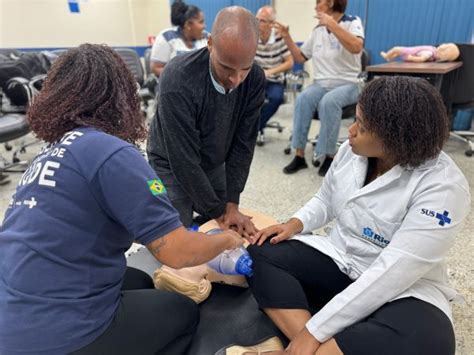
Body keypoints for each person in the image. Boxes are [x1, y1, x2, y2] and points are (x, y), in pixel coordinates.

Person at [0, 44, 244, 355]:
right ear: (121, 98)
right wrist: (225, 240)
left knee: (139, 280)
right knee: (182, 311)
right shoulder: (113, 153)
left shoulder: (49, 152)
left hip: (12, 315)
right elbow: (177, 253)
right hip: (59, 335)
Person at [243, 76, 470, 355]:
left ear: (395, 139)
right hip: (343, 259)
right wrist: (294, 223)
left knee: (431, 340)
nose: (350, 131)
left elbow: (391, 273)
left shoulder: (443, 187)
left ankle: (302, 345)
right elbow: (326, 199)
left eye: (361, 126)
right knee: (261, 251)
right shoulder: (352, 151)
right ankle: (307, 347)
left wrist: (316, 331)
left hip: (402, 288)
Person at [147, 7, 265, 236]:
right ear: (210, 43)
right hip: (169, 161)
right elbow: (183, 158)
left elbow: (243, 145)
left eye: (245, 69)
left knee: (222, 218)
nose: (236, 79)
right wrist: (219, 213)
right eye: (227, 67)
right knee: (175, 233)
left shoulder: (256, 79)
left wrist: (231, 205)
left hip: (212, 159)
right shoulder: (178, 77)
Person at [276, 0, 364, 176]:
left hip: (348, 83)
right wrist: (287, 37)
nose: (315, 7)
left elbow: (356, 47)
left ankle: (329, 156)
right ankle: (299, 155)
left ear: (331, 3)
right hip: (321, 84)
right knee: (303, 99)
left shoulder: (352, 22)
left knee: (328, 102)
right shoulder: (317, 30)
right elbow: (301, 57)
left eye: (319, 3)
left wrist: (332, 25)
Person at [254, 5, 293, 146]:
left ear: (272, 23)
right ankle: (255, 128)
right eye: (256, 20)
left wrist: (270, 72)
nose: (258, 24)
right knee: (247, 98)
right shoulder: (252, 37)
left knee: (276, 98)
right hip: (256, 79)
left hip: (274, 79)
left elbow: (290, 63)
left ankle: (256, 128)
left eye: (262, 21)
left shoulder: (279, 38)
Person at [150, 0, 207, 79]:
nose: (204, 26)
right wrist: (180, 78)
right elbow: (155, 68)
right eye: (201, 22)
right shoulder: (166, 38)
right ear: (188, 25)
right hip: (174, 84)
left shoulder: (206, 38)